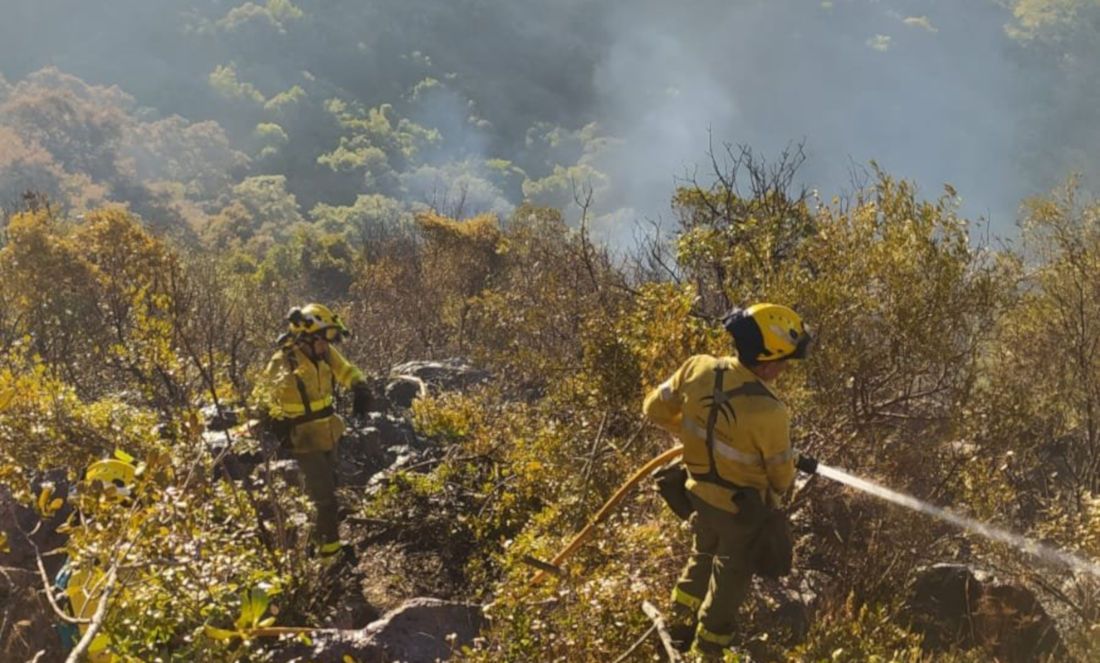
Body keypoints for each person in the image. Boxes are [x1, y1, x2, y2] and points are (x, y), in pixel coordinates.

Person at [642, 303, 819, 658]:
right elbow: (781, 478)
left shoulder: (698, 367)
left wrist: (701, 439)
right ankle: (708, 648)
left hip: (697, 494)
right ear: (767, 361)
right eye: (784, 361)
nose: (784, 369)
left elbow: (654, 409)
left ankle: (678, 622)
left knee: (702, 553)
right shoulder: (770, 411)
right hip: (740, 511)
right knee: (731, 577)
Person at [254, 303, 371, 561]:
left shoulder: (324, 353)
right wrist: (274, 424)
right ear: (306, 339)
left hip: (329, 433)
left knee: (327, 490)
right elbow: (261, 398)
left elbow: (346, 370)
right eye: (322, 340)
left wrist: (360, 387)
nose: (327, 346)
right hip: (303, 441)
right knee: (325, 500)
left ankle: (316, 541)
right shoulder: (283, 362)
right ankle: (329, 556)